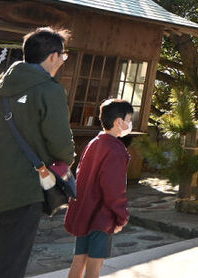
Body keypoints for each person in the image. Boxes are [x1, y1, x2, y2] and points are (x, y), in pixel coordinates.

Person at [0, 27, 75, 278]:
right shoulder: (49, 90)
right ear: (52, 57)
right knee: (9, 262)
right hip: (22, 188)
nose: (62, 61)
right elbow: (61, 146)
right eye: (63, 56)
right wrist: (66, 160)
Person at [64, 98, 134, 278]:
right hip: (102, 217)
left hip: (84, 212)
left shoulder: (93, 143)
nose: (130, 123)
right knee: (95, 266)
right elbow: (114, 189)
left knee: (78, 261)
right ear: (120, 122)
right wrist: (121, 216)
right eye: (129, 119)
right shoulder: (116, 150)